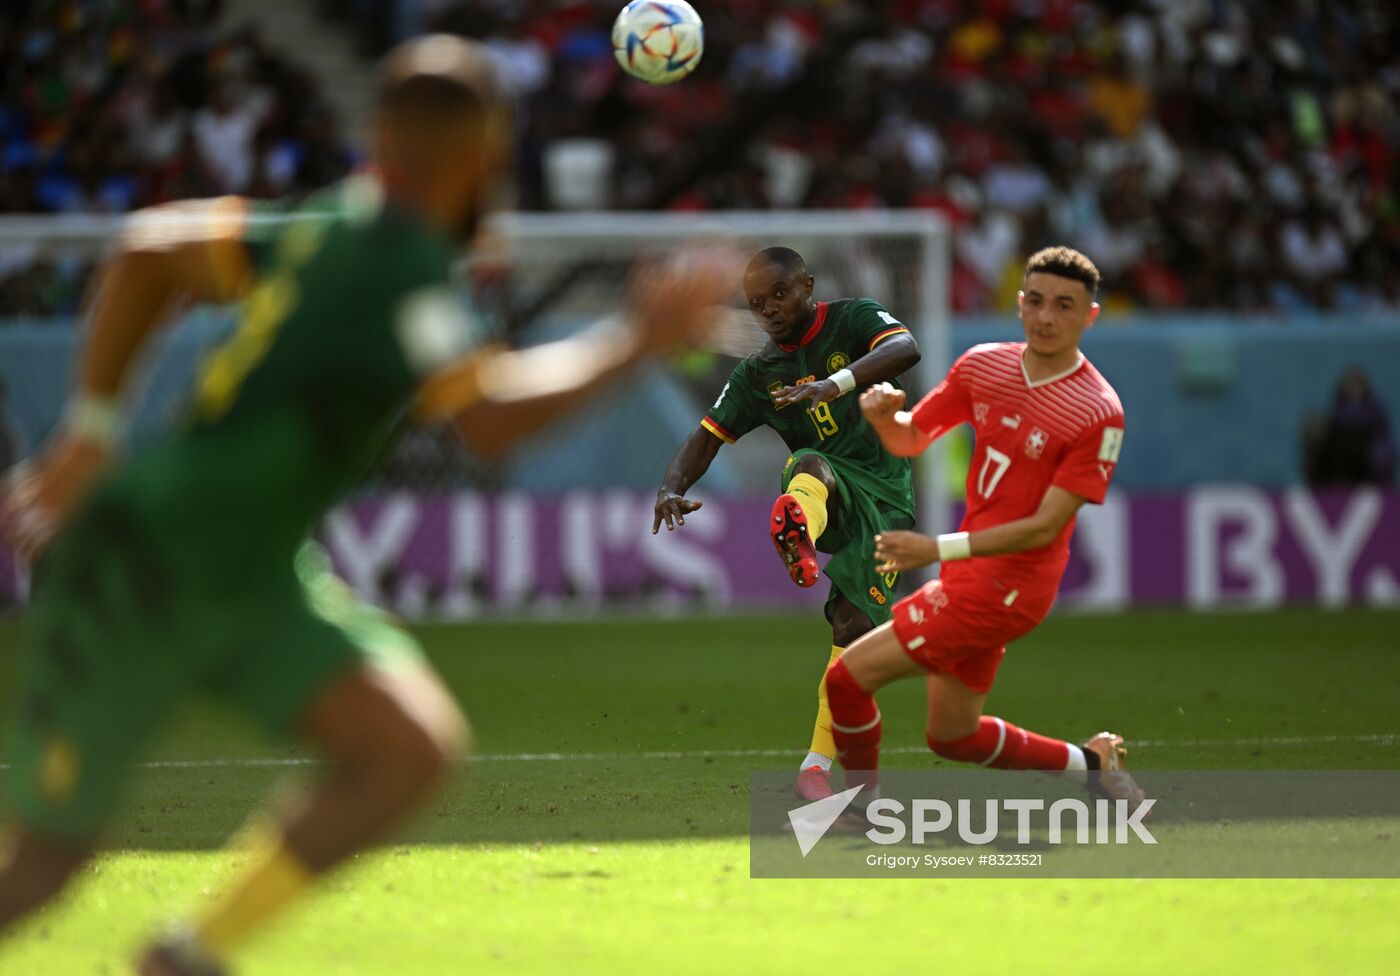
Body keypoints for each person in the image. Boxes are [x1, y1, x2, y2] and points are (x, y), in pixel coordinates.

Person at [0, 36, 735, 976]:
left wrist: (91, 433)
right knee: (44, 866)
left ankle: (182, 960)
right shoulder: (401, 264)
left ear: (378, 136)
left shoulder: (331, 224)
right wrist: (637, 339)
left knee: (408, 750)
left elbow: (148, 251)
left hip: (247, 572)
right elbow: (488, 420)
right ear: (487, 154)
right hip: (149, 570)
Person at [824, 247, 1145, 811]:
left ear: (1089, 316)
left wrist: (934, 548)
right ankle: (1093, 765)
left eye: (1064, 306)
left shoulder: (1098, 411)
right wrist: (881, 417)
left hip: (1010, 587)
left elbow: (1045, 527)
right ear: (1019, 304)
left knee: (847, 680)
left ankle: (857, 812)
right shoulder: (983, 365)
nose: (1046, 317)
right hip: (969, 572)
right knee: (953, 736)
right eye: (1037, 301)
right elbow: (910, 438)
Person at [653, 246, 921, 802]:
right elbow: (707, 437)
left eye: (780, 294)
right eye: (757, 304)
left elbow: (905, 347)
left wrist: (835, 383)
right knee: (807, 464)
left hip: (886, 497)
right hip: (828, 490)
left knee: (852, 628)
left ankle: (815, 769)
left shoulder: (852, 318)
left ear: (807, 286)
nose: (770, 309)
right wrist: (672, 486)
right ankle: (798, 522)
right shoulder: (758, 373)